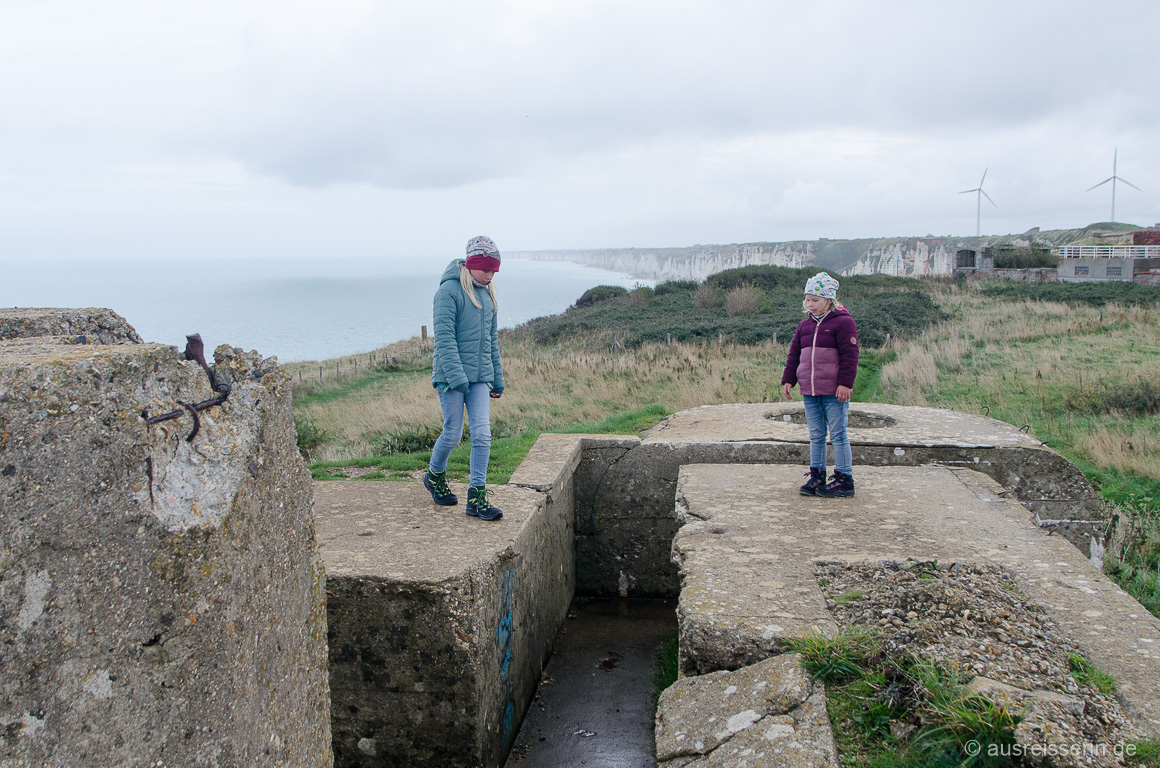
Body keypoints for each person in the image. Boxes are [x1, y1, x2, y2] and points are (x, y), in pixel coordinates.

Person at [423, 236, 506, 521]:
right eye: (485, 269)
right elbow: (444, 340)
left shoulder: (487, 293)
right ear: (471, 265)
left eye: (494, 270)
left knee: (483, 435)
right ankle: (434, 476)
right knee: (453, 433)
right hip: (451, 377)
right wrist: (458, 378)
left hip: (481, 377)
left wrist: (497, 377)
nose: (490, 274)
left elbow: (491, 341)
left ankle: (477, 497)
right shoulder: (448, 292)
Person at [781, 271, 859, 498]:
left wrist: (845, 384)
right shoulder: (804, 326)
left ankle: (844, 479)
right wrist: (789, 379)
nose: (810, 304)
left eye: (815, 300)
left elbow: (850, 356)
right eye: (808, 299)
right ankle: (817, 476)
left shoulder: (844, 323)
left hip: (834, 391)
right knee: (815, 434)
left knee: (838, 434)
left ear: (829, 299)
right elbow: (794, 353)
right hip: (809, 389)